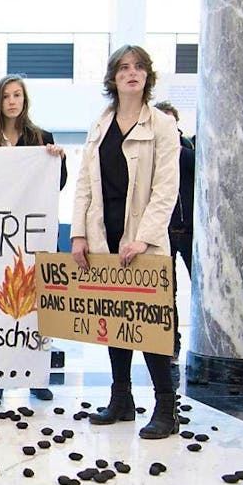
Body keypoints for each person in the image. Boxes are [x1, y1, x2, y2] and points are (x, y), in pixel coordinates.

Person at [71, 45, 180, 439]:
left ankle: (167, 407)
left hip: (143, 237)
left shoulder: (163, 125)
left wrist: (143, 238)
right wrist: (79, 233)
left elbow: (167, 190)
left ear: (148, 76)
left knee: (150, 323)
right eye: (123, 68)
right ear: (113, 78)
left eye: (138, 67)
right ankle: (122, 399)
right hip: (105, 231)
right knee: (115, 320)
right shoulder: (100, 124)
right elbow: (85, 183)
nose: (131, 73)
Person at [0, 74, 67, 402]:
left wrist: (56, 160)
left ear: (25, 100)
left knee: (37, 310)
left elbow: (56, 185)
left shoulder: (42, 138)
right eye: (6, 96)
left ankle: (36, 376)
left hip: (33, 239)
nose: (12, 101)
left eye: (18, 95)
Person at [153, 100, 195, 389]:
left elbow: (195, 168)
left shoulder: (188, 148)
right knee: (167, 294)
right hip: (164, 232)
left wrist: (172, 147)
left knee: (200, 290)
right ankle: (171, 347)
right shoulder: (151, 153)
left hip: (192, 231)